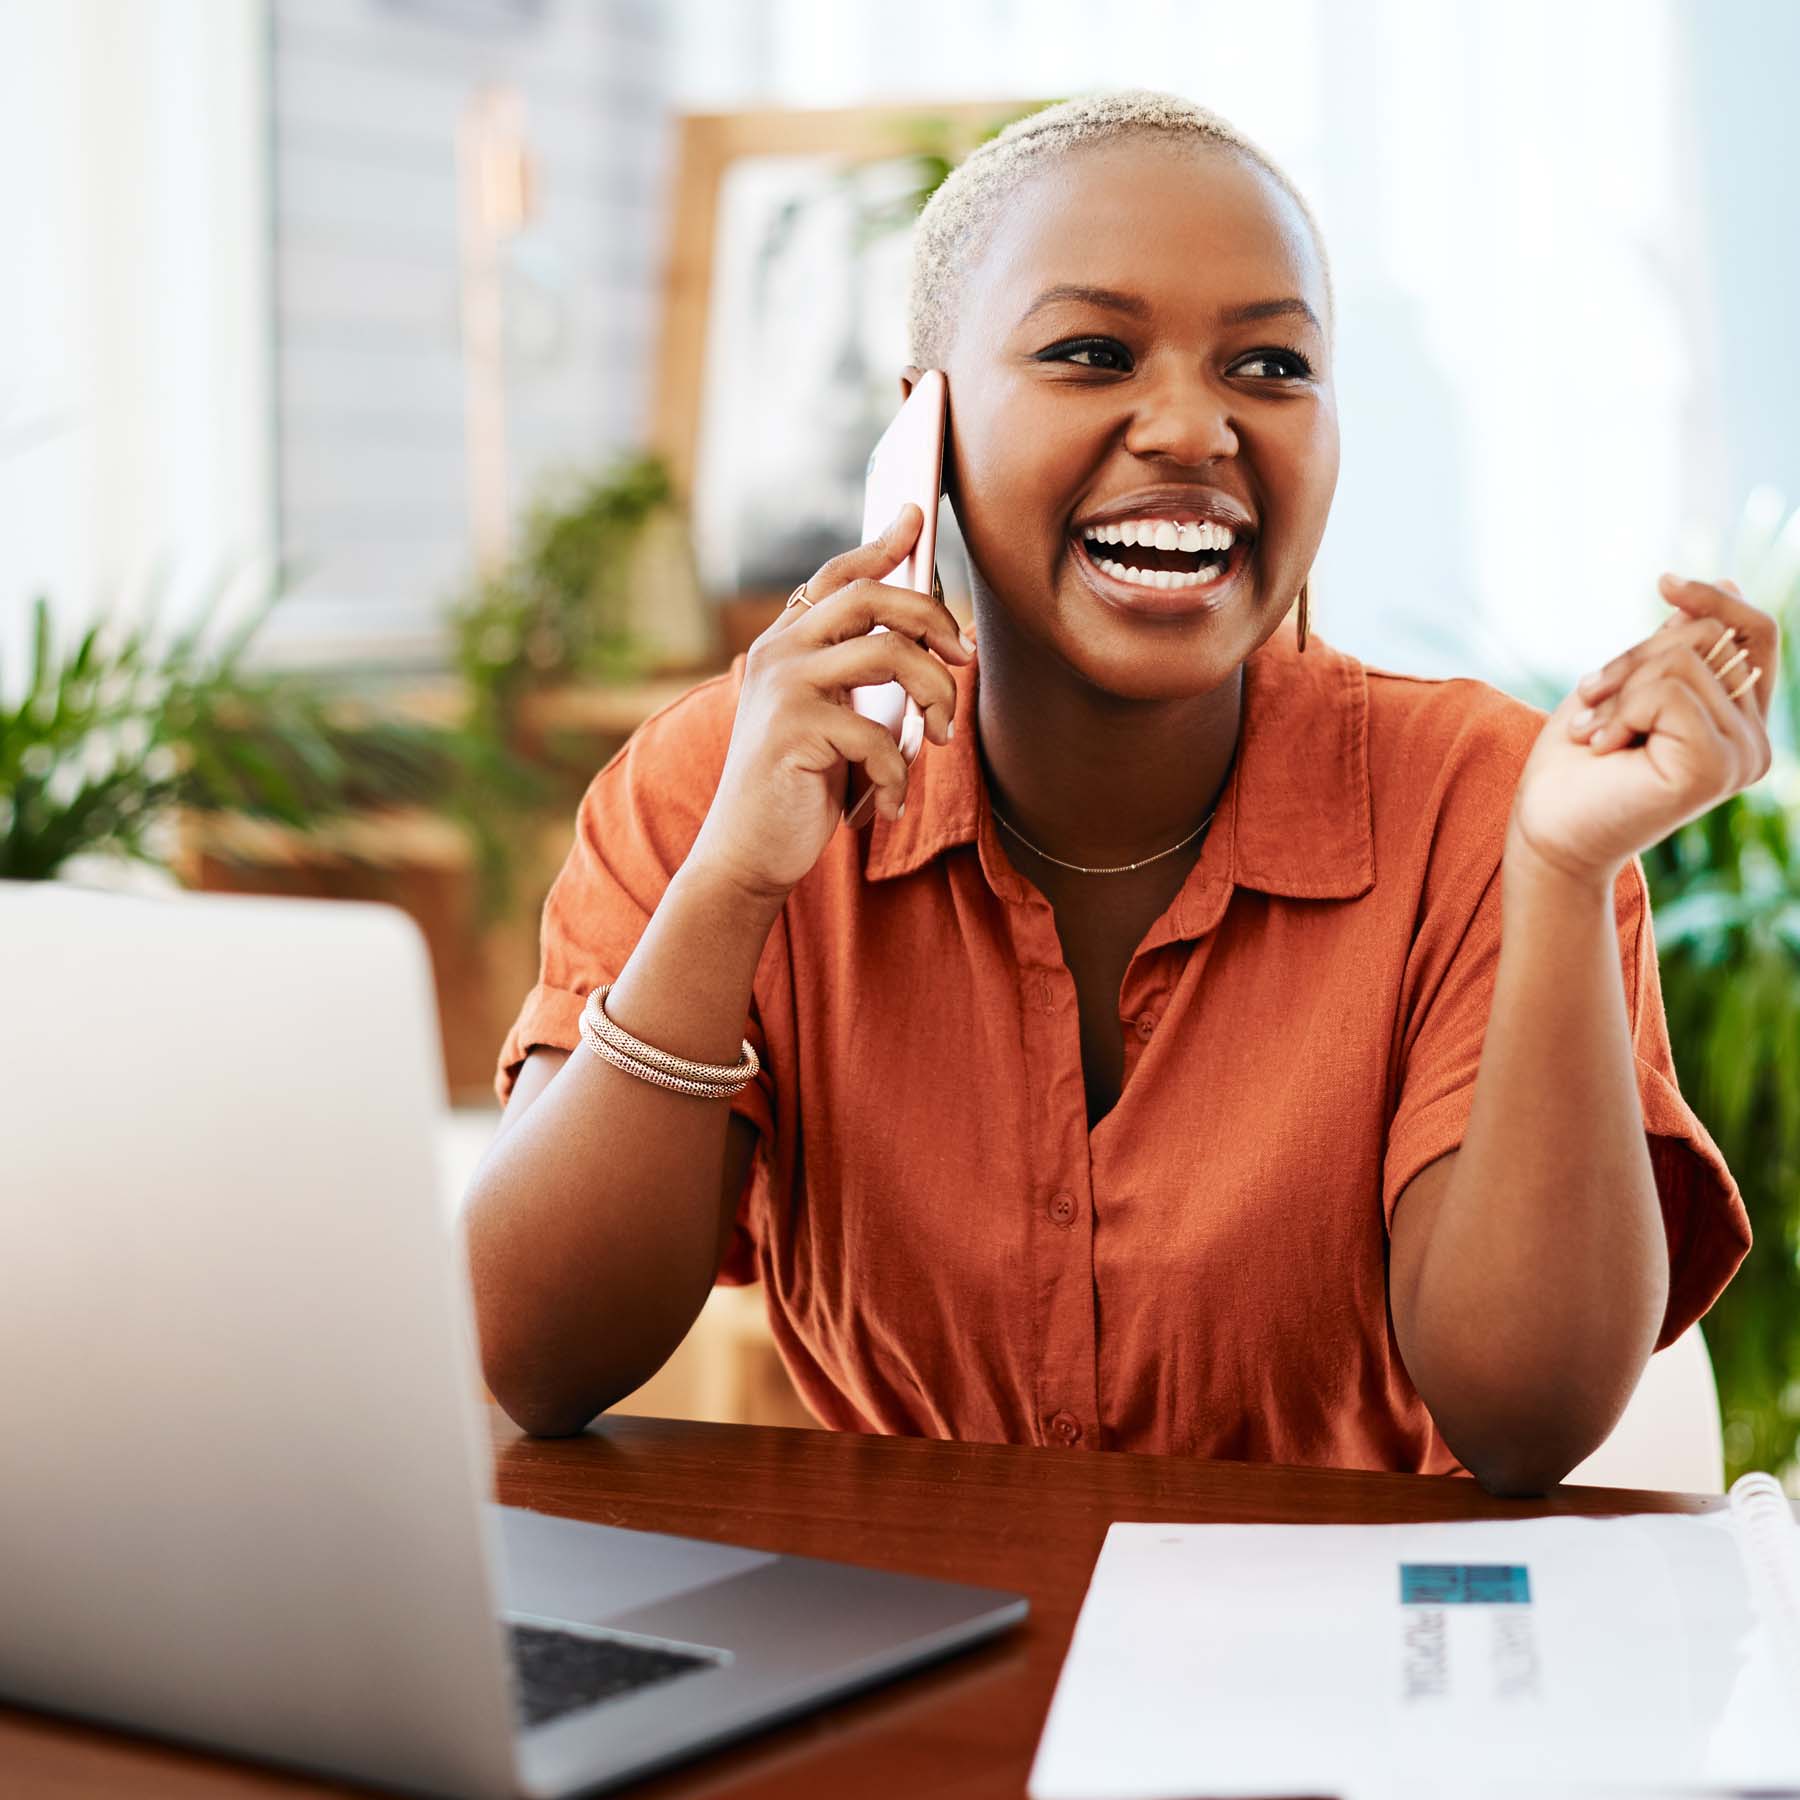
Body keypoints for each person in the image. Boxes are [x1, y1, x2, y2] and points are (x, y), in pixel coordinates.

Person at [466, 90, 1775, 1495]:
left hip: (1347, 1657)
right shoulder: (714, 787)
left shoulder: (1486, 803)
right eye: (1093, 352)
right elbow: (540, 1362)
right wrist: (731, 888)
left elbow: (1527, 1413)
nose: (1192, 428)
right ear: (925, 433)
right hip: (930, 1647)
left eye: (1270, 367)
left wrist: (1566, 877)